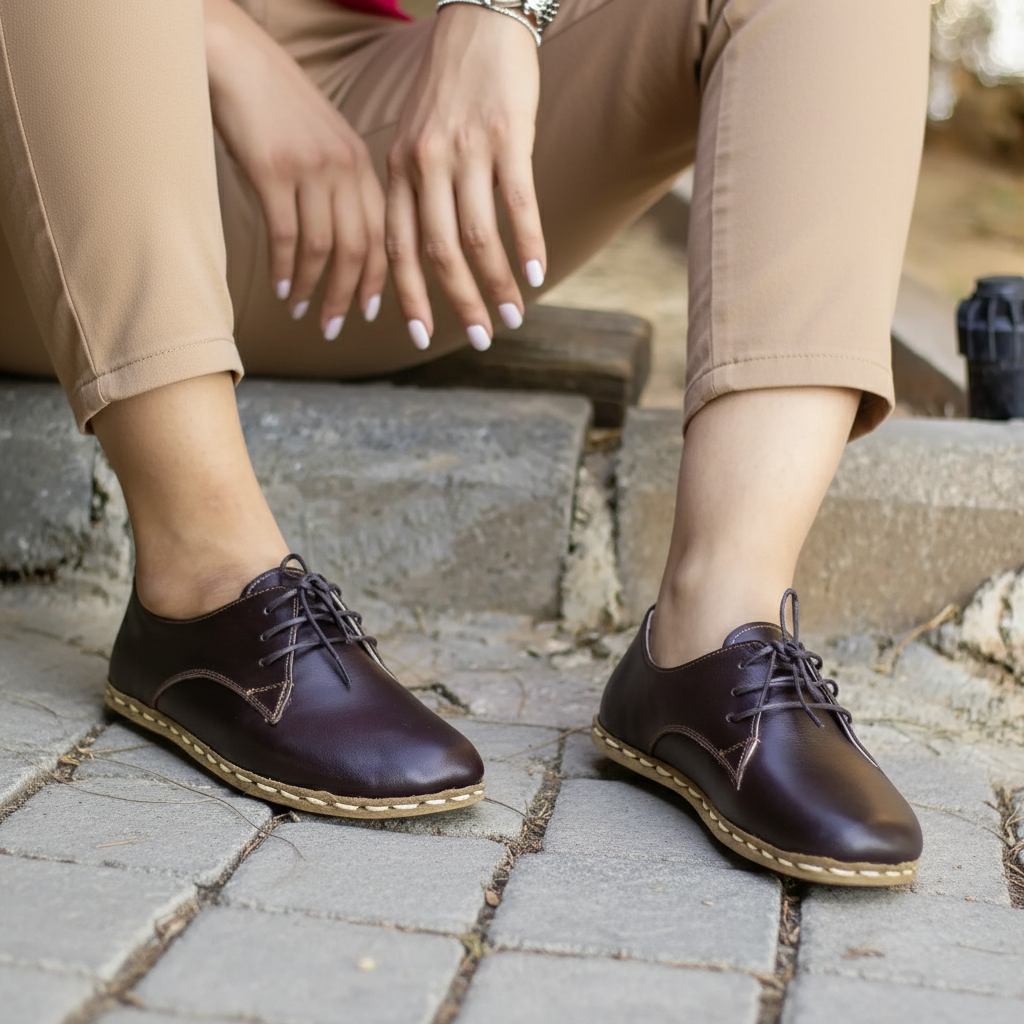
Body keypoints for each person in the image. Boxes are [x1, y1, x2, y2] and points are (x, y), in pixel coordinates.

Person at [0, 0, 928, 882]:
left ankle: (717, 638)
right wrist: (227, 44)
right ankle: (203, 582)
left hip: (365, 149)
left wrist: (496, 11)